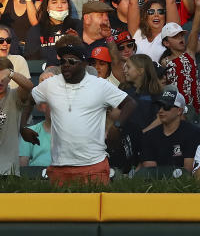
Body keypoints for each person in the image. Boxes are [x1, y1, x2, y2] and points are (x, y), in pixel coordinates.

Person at [30, 37, 135, 185]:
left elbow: (130, 103)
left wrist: (116, 127)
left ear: (84, 64)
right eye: (63, 62)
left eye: (72, 61)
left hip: (94, 166)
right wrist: (23, 127)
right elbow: (28, 99)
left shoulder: (100, 85)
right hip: (60, 167)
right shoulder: (51, 84)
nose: (66, 65)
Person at [140, 88, 200, 170]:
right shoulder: (149, 136)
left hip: (184, 182)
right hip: (156, 182)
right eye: (159, 107)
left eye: (166, 107)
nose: (161, 111)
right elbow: (151, 172)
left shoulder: (193, 133)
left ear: (179, 111)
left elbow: (188, 171)